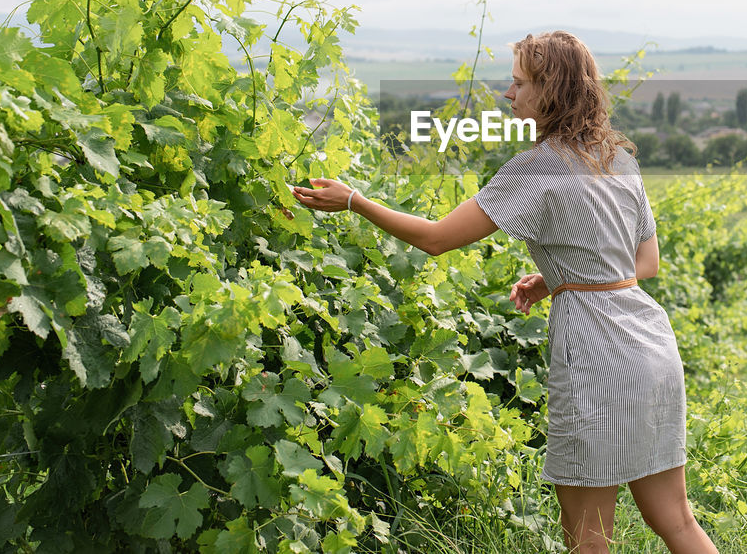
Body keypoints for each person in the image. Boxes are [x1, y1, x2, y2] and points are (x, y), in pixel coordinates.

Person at [292, 30, 717, 554]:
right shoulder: (618, 160)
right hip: (652, 347)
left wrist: (355, 199)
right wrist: (559, 275)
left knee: (588, 540)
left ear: (551, 91)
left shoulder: (534, 169)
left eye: (518, 83)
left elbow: (435, 239)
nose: (507, 93)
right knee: (676, 521)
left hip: (597, 353)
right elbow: (645, 262)